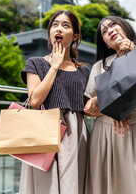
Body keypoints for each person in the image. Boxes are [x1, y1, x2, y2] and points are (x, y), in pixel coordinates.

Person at [84, 16, 136, 194]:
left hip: (135, 130)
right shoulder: (99, 66)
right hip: (105, 133)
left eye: (113, 25)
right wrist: (110, 108)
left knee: (135, 183)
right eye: (104, 32)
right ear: (105, 43)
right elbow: (89, 109)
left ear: (126, 28)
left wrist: (133, 53)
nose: (110, 31)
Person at [19, 10, 89, 194]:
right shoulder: (35, 63)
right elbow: (34, 100)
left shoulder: (83, 71)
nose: (59, 28)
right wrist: (55, 65)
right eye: (55, 24)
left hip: (76, 134)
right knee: (46, 186)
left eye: (65, 25)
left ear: (74, 36)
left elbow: (87, 106)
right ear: (50, 32)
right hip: (45, 130)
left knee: (73, 184)